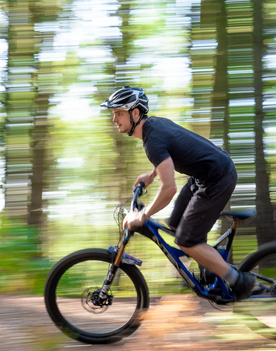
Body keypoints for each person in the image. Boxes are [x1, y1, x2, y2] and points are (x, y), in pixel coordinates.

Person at [100, 86, 256, 301]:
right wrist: (152, 175)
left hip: (217, 177)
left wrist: (143, 216)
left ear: (135, 113)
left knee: (186, 240)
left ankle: (238, 280)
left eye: (119, 113)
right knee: (174, 226)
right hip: (202, 176)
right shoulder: (154, 126)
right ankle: (209, 266)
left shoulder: (151, 140)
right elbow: (170, 153)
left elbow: (169, 189)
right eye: (113, 114)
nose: (114, 119)